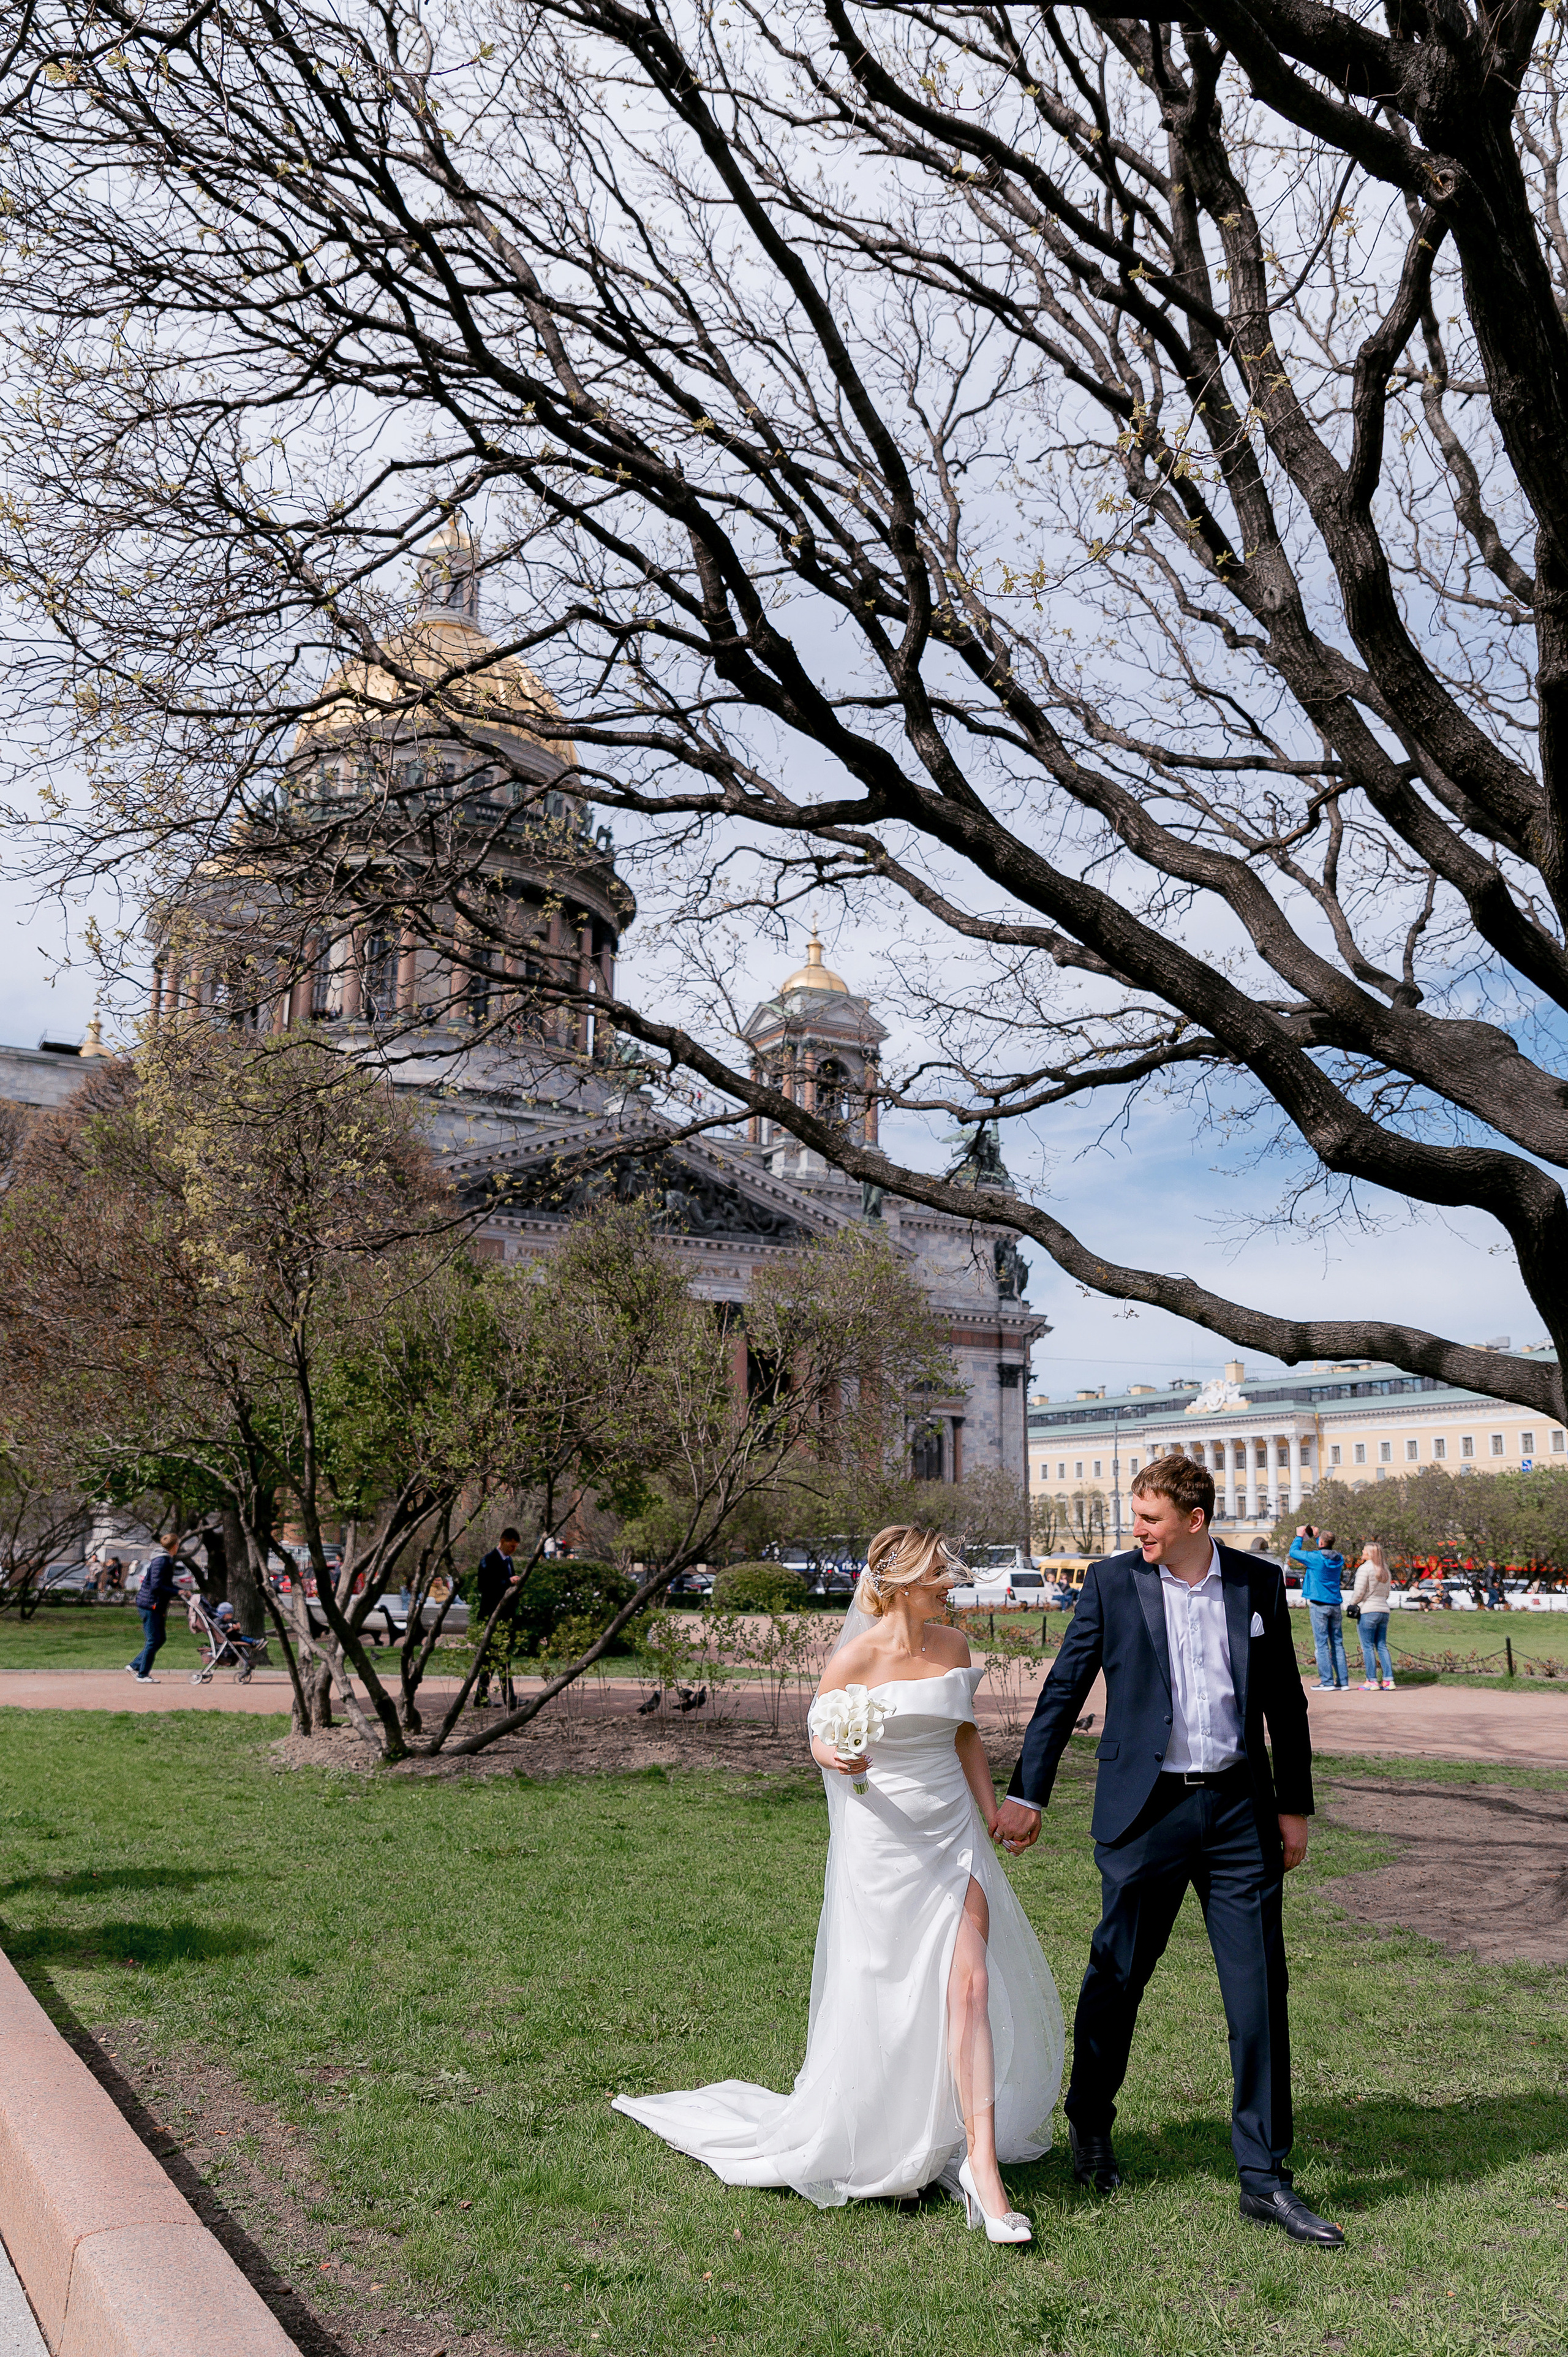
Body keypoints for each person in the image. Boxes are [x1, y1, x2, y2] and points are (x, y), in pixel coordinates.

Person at [612, 1524, 1063, 2239]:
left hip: (953, 1831)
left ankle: (982, 2167)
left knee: (970, 1986)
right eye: (941, 1572)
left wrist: (990, 1812)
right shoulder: (856, 1653)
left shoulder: (951, 1644)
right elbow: (820, 1733)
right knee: (888, 1986)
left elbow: (964, 1732)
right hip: (883, 1836)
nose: (952, 1581)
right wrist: (835, 1757)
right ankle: (890, 2128)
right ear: (904, 1581)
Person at [992, 1454, 1343, 2249]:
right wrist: (1028, 1790)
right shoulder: (1113, 1582)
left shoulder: (1256, 1582)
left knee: (1258, 1995)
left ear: (1194, 1518)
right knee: (1117, 1974)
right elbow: (1064, 1685)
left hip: (1237, 1813)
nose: (1136, 1529)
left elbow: (1284, 1701)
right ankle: (1091, 2125)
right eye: (1135, 1516)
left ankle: (1264, 2177)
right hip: (1143, 1813)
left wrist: (1293, 1804)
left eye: (1149, 1517)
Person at [1289, 1528, 1350, 1691]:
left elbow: (1294, 1552)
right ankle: (1343, 1681)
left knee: (1321, 1644)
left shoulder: (1315, 1558)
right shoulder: (1339, 1558)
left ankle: (1327, 1681)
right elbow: (1326, 1551)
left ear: (1321, 1543)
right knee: (1338, 1643)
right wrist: (1318, 1537)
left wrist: (1300, 1536)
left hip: (1319, 1603)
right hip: (1335, 1603)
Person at [472, 1528, 522, 1708]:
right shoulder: (489, 1560)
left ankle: (482, 1697)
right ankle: (509, 1698)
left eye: (516, 1547)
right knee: (498, 1658)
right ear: (503, 1540)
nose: (513, 1550)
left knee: (495, 1658)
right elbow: (484, 1586)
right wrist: (508, 1582)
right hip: (492, 1615)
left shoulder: (508, 1560)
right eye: (512, 1545)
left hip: (506, 1615)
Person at [127, 1535, 181, 1682]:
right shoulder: (161, 1561)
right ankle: (142, 1674)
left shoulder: (164, 1560)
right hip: (150, 1604)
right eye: (178, 1544)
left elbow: (165, 1584)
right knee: (153, 1639)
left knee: (160, 1639)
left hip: (156, 1605)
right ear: (174, 1546)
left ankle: (135, 1666)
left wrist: (181, 1591)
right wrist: (177, 1592)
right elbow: (157, 1586)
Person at [1348, 1543, 1394, 1690]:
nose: (1362, 1552)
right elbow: (1387, 1593)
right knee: (1381, 1645)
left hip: (1368, 1610)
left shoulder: (1365, 1568)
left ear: (1369, 1553)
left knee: (1367, 1647)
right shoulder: (1385, 1569)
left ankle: (1372, 1680)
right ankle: (1388, 1680)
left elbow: (1360, 1591)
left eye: (1364, 1550)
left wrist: (1352, 1603)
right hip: (1383, 1610)